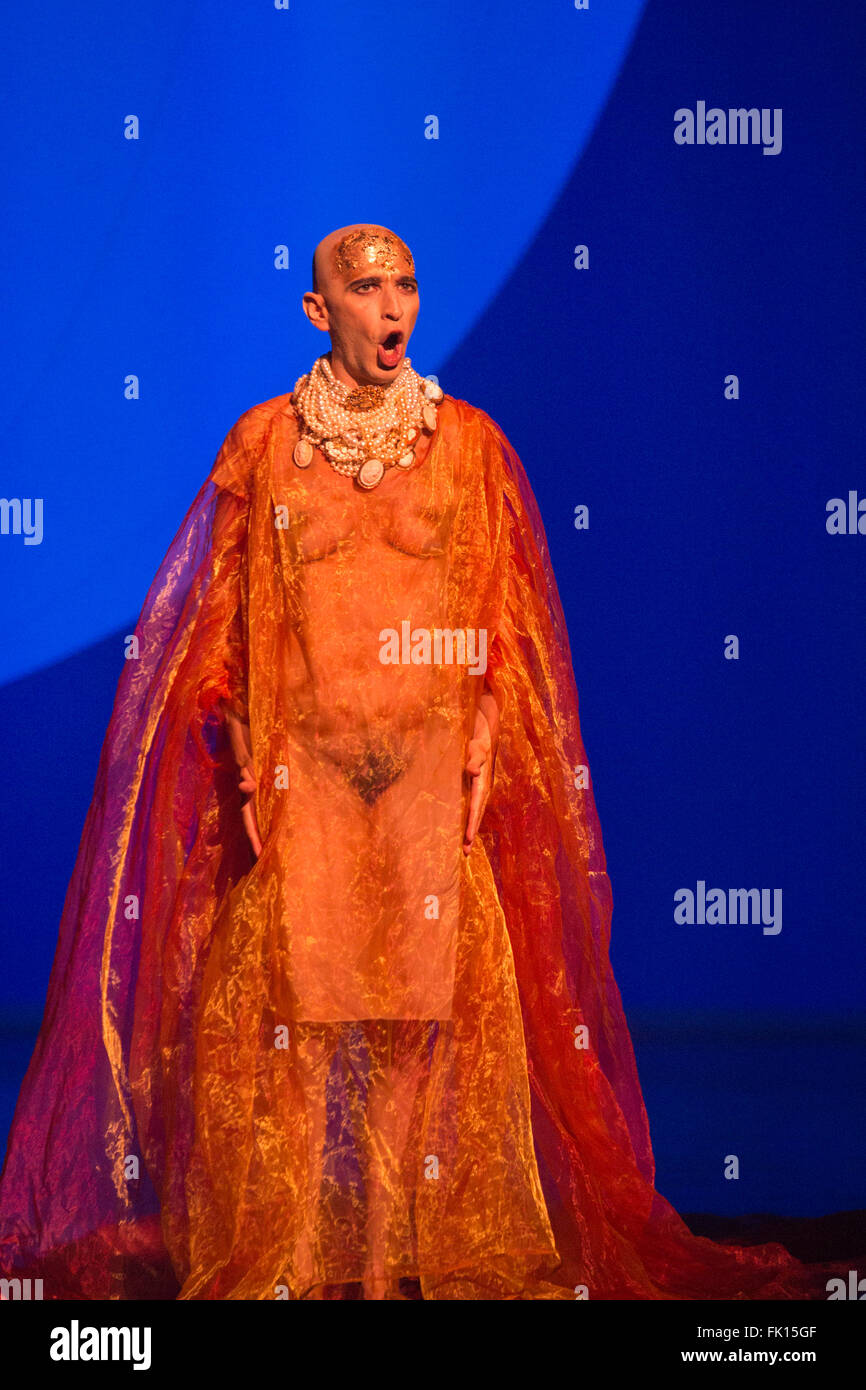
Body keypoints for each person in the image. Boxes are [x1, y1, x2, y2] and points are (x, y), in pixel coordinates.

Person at [0, 224, 849, 1300]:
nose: (392, 304)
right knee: (294, 1028)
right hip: (305, 777)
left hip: (422, 778)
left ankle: (392, 1253)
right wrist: (254, 756)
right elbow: (220, 633)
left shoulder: (470, 447)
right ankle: (291, 1260)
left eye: (404, 284)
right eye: (366, 288)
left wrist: (486, 738)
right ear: (320, 311)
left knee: (412, 1024)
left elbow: (503, 622)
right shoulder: (262, 446)